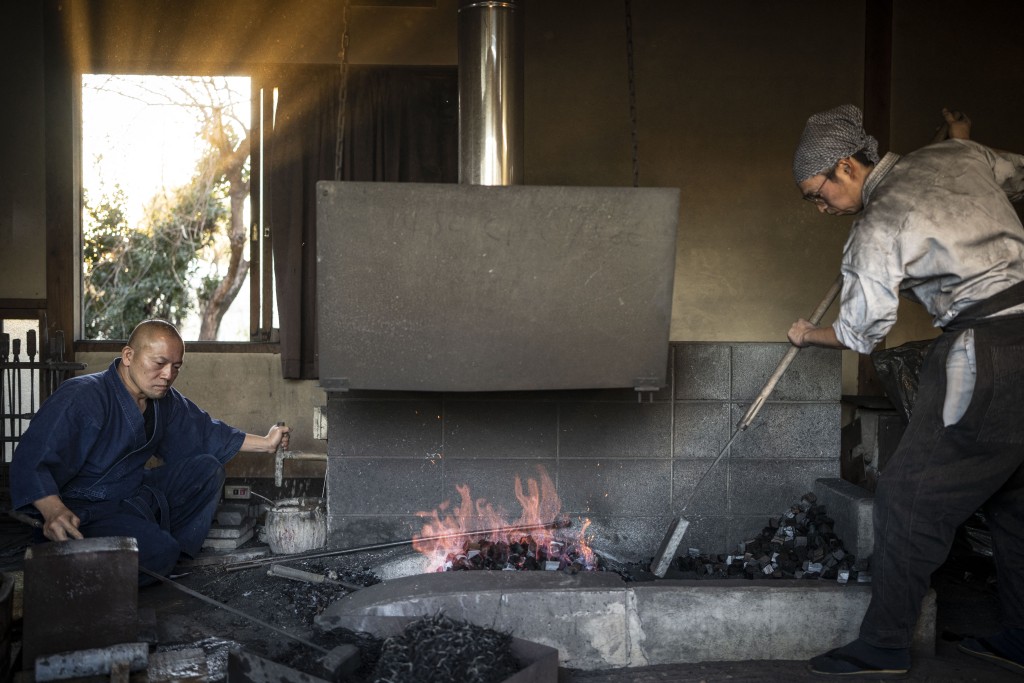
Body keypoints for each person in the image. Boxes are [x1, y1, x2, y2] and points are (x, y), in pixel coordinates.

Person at [789, 104, 1024, 678]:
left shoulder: (879, 222)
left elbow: (861, 333)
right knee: (1013, 500)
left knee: (906, 499)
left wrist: (807, 334)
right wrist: (961, 142)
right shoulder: (958, 156)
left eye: (816, 194)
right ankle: (1020, 638)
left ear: (846, 167)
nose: (821, 209)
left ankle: (885, 645)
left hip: (987, 349)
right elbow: (1013, 175)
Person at [10, 319, 290, 585]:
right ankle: (142, 553)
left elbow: (206, 433)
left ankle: (163, 549)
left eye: (176, 367)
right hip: (83, 512)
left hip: (133, 494)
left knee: (206, 469)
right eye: (159, 363)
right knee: (158, 553)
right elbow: (32, 460)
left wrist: (267, 443)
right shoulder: (82, 396)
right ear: (129, 355)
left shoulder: (162, 400)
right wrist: (53, 510)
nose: (168, 375)